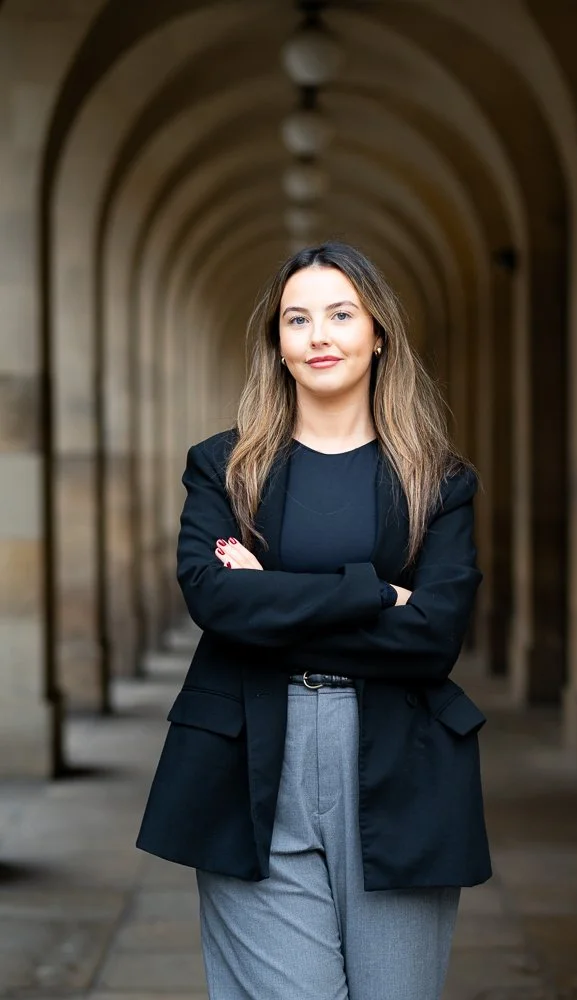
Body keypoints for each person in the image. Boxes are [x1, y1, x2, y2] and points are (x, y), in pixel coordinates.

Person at [136, 241, 491, 1000]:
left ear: (378, 333)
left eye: (339, 314)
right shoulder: (224, 467)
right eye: (296, 319)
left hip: (401, 764)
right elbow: (214, 600)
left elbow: (432, 636)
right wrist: (372, 594)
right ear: (277, 341)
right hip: (248, 761)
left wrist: (274, 598)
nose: (317, 335)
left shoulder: (440, 479)